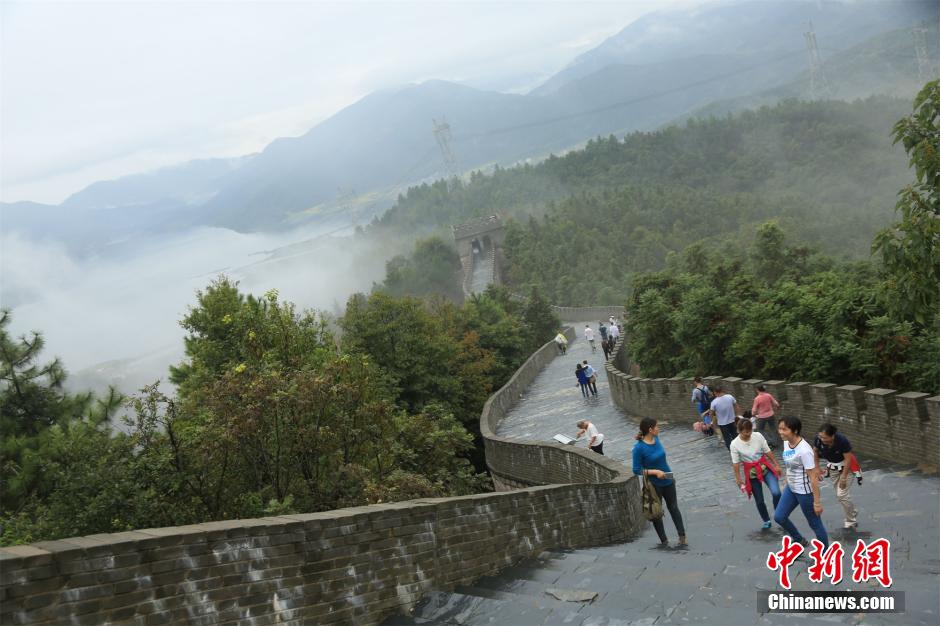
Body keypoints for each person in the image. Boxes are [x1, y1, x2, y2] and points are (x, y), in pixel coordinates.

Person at [774, 416, 828, 548]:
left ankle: (825, 554)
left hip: (805, 492)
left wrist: (817, 502)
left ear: (795, 431)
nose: (780, 432)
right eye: (780, 428)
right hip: (791, 488)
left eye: (784, 429)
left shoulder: (804, 450)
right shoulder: (786, 442)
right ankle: (798, 539)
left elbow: (813, 477)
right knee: (779, 517)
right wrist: (788, 478)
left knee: (814, 523)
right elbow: (789, 463)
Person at [633, 418, 687, 547]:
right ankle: (664, 540)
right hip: (654, 484)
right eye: (657, 426)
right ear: (650, 430)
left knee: (674, 507)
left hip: (668, 479)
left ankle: (682, 536)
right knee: (656, 512)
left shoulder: (657, 440)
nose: (659, 428)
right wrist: (654, 472)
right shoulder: (639, 448)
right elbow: (636, 470)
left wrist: (667, 474)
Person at [730, 418, 782, 530]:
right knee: (759, 500)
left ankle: (779, 514)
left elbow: (767, 451)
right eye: (746, 432)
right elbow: (736, 463)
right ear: (739, 430)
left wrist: (776, 465)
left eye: (750, 430)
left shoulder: (757, 435)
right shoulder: (734, 444)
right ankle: (766, 520)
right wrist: (738, 478)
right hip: (751, 473)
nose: (749, 433)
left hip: (764, 468)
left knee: (776, 492)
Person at [813, 423, 859, 530]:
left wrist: (843, 477)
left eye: (824, 437)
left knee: (841, 495)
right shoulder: (818, 439)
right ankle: (852, 511)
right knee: (841, 496)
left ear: (832, 436)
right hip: (833, 468)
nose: (821, 439)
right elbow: (815, 451)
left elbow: (848, 459)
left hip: (847, 468)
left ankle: (850, 520)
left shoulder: (842, 441)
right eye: (820, 436)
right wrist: (817, 467)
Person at [751, 385, 781, 449]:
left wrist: (753, 414)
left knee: (760, 429)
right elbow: (776, 404)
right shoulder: (768, 395)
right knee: (773, 429)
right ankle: (775, 442)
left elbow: (754, 410)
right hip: (771, 415)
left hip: (762, 417)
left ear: (757, 390)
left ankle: (769, 441)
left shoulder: (757, 398)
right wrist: (777, 408)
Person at [709, 386, 739, 450]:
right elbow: (736, 406)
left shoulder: (714, 402)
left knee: (727, 438)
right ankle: (739, 448)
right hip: (733, 421)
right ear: (722, 390)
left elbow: (711, 413)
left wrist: (711, 422)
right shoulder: (730, 397)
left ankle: (731, 451)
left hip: (723, 424)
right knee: (735, 436)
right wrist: (737, 415)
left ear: (715, 392)